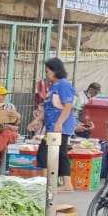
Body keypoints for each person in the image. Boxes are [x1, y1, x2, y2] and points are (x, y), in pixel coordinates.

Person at [39, 58, 76, 187]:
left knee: (58, 153)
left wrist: (59, 123)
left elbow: (68, 106)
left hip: (61, 126)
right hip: (52, 126)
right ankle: (48, 182)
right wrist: (37, 120)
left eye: (48, 71)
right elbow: (48, 107)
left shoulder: (64, 85)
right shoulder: (53, 86)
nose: (46, 74)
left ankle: (65, 184)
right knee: (49, 153)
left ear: (55, 71)